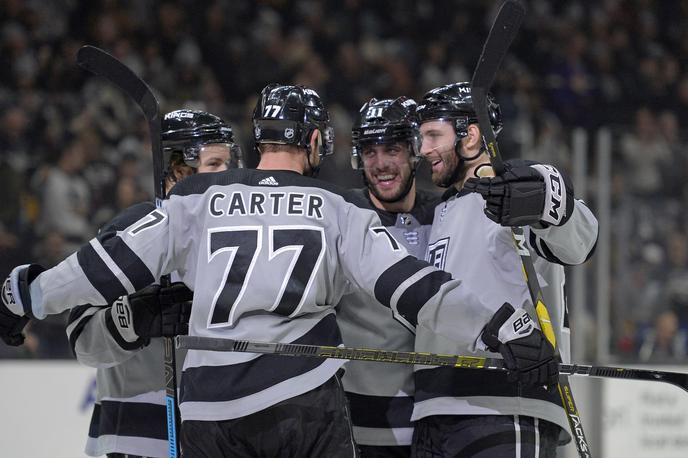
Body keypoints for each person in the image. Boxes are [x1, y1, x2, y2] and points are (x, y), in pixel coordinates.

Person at [1, 84, 555, 457]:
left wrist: (27, 296)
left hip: (208, 412)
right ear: (314, 140)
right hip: (300, 400)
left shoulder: (197, 198)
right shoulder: (339, 206)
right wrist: (510, 328)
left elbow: (101, 269)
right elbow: (417, 290)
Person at [412, 82, 599, 457]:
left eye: (434, 135)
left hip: (506, 403)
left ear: (471, 136)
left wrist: (549, 196)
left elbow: (580, 242)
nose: (424, 149)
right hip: (434, 410)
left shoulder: (515, 195)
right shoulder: (437, 212)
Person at [66, 109, 241, 458]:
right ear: (177, 173)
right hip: (140, 436)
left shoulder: (243, 238)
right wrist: (134, 319)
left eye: (228, 162)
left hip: (223, 436)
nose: (230, 174)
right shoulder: (130, 235)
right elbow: (82, 339)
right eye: (216, 163)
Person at [337, 96, 439, 456]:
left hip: (440, 416)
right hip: (362, 419)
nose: (380, 164)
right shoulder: (340, 217)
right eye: (369, 152)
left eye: (392, 149)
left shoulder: (448, 213)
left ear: (414, 151)